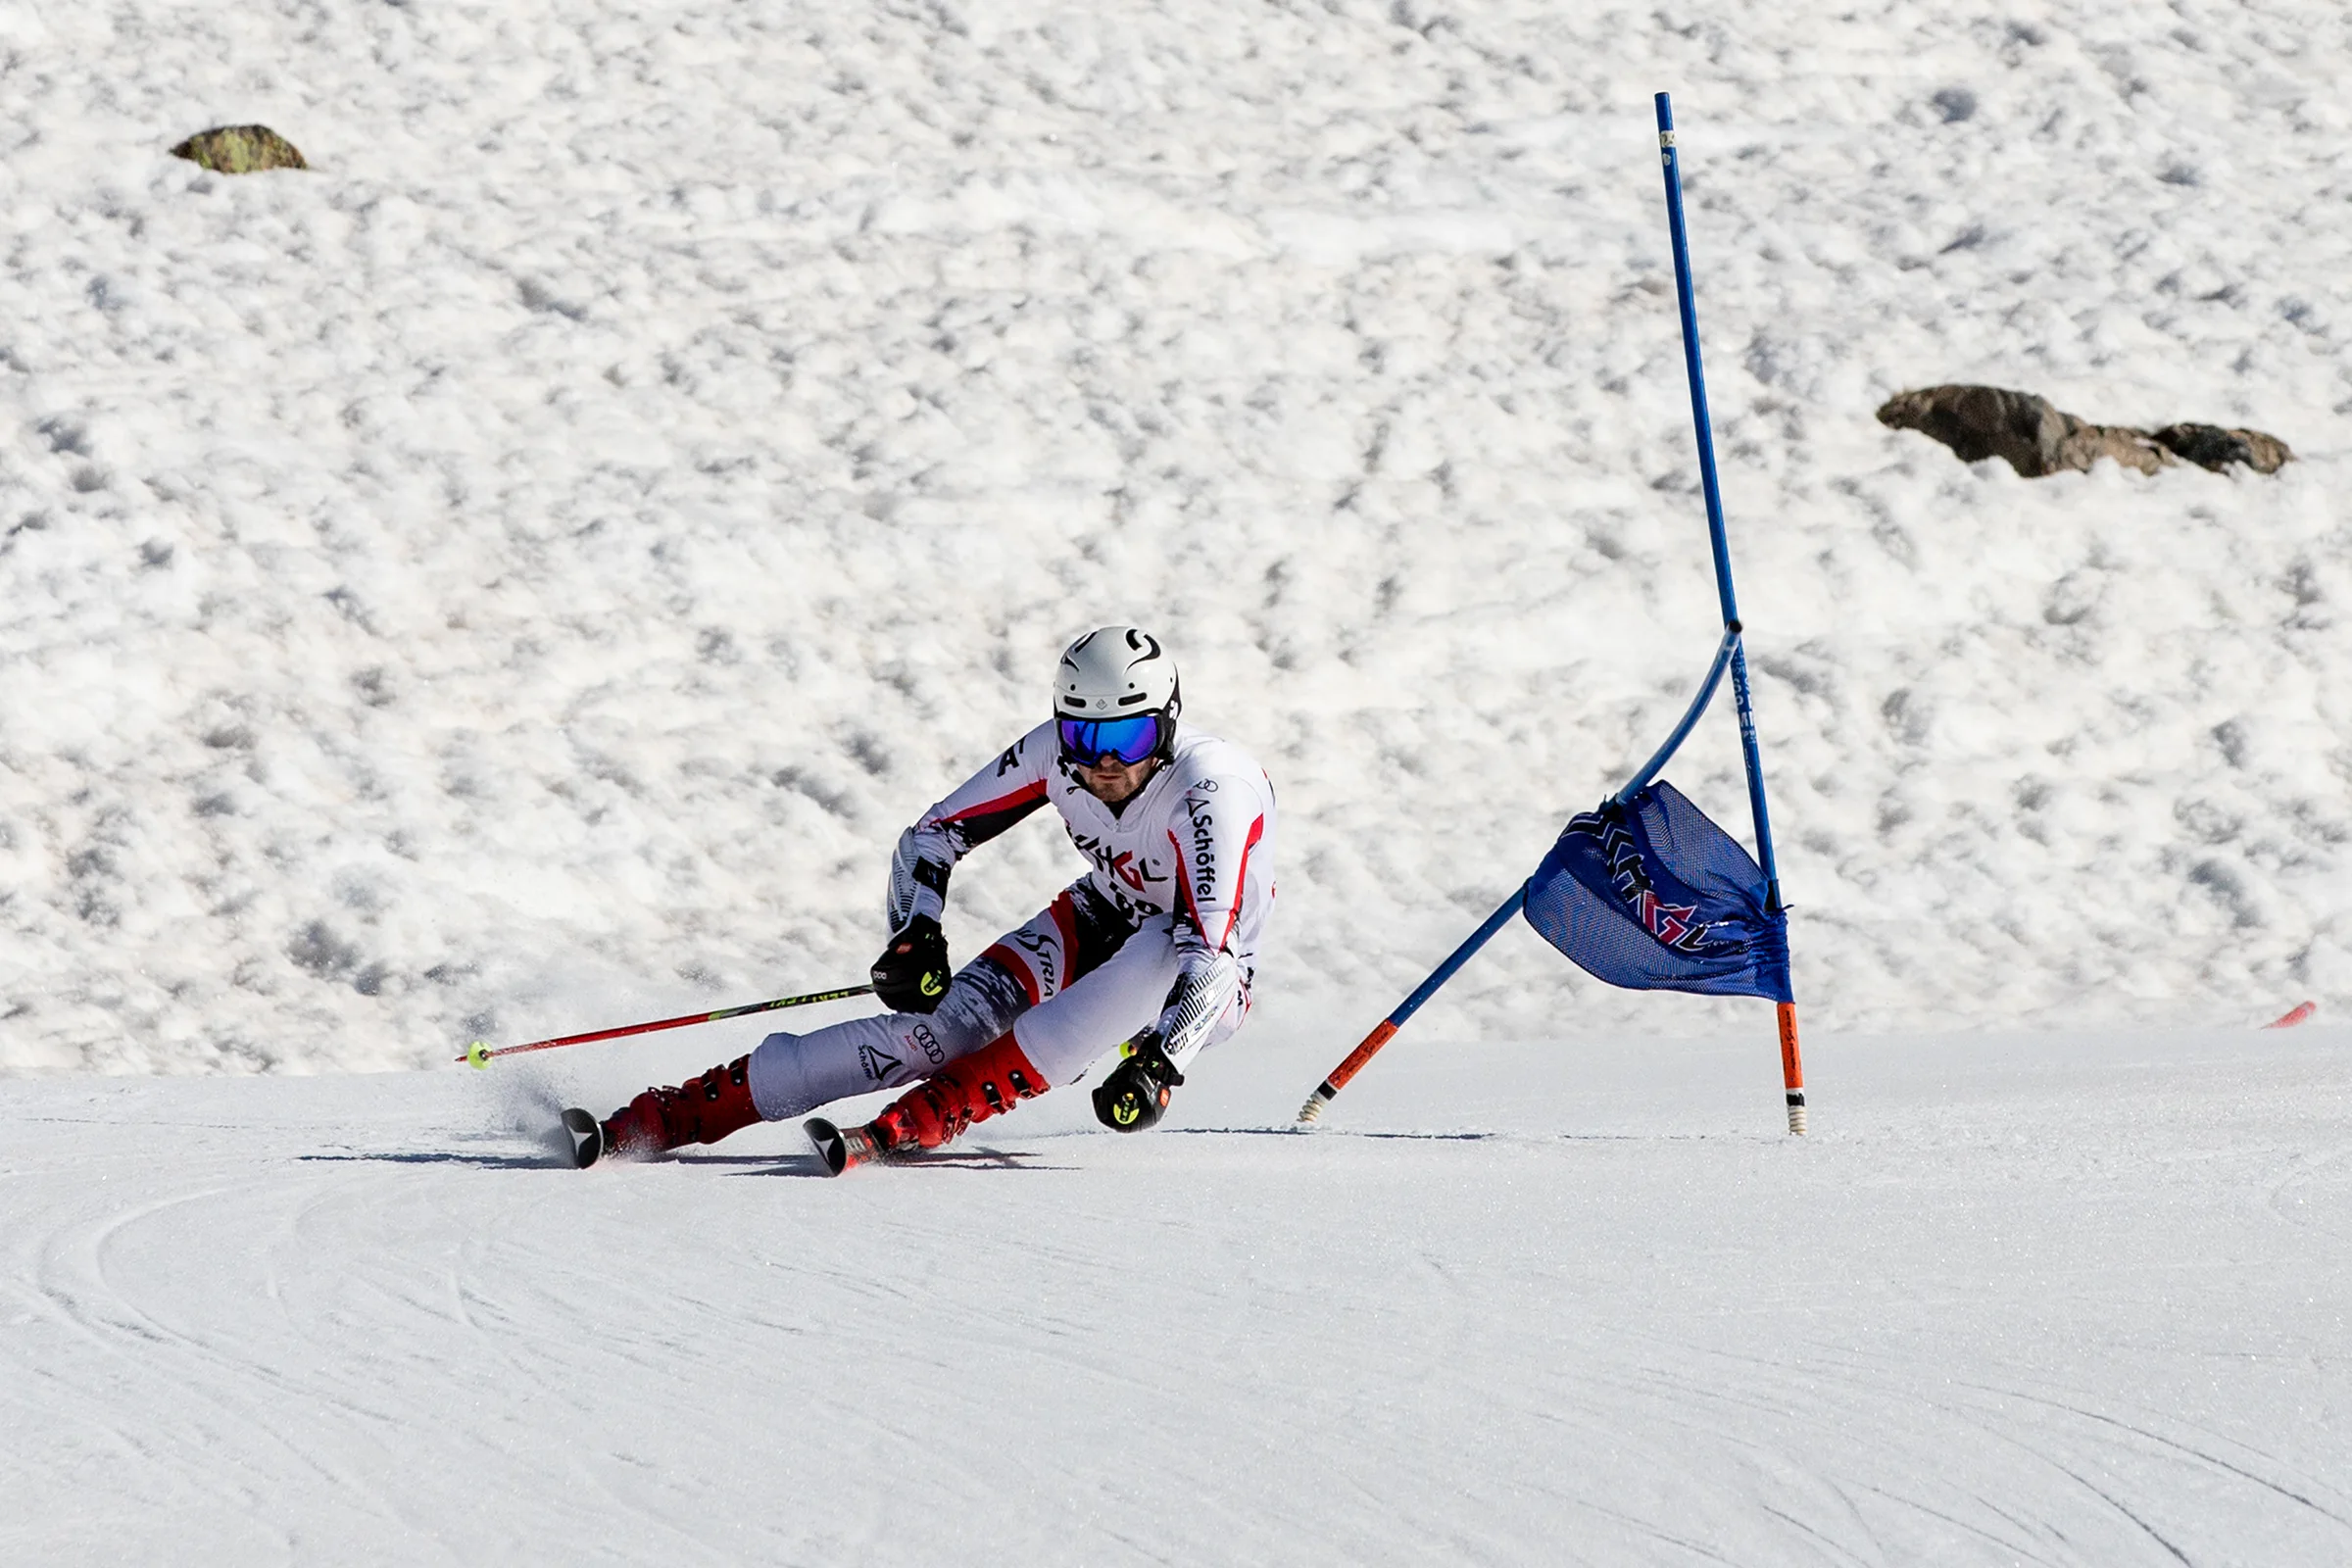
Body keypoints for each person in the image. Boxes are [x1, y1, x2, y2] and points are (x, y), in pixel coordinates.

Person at [567, 625, 1277, 1172]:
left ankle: (929, 1113)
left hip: (1205, 974)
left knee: (1134, 972)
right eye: (1085, 734)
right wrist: (916, 931)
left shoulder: (1211, 792)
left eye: (1130, 734)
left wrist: (1161, 1060)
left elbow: (1207, 958)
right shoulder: (1054, 757)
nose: (1105, 762)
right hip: (1099, 912)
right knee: (937, 1032)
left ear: (1169, 724)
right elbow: (928, 838)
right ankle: (672, 1114)